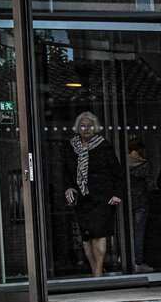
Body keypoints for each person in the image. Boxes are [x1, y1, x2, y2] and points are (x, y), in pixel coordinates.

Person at [63, 111, 122, 277]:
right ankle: (95, 270)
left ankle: (97, 275)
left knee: (100, 234)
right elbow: (66, 172)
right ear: (77, 128)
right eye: (82, 125)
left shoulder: (103, 145)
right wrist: (69, 187)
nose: (86, 128)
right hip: (82, 199)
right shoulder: (70, 147)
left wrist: (116, 194)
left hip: (103, 198)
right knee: (87, 237)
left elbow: (117, 172)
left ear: (95, 128)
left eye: (89, 126)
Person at [127, 138, 151, 270]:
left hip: (126, 202)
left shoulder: (123, 162)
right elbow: (149, 181)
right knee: (139, 233)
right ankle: (138, 261)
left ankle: (124, 258)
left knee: (127, 232)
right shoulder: (144, 164)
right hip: (140, 202)